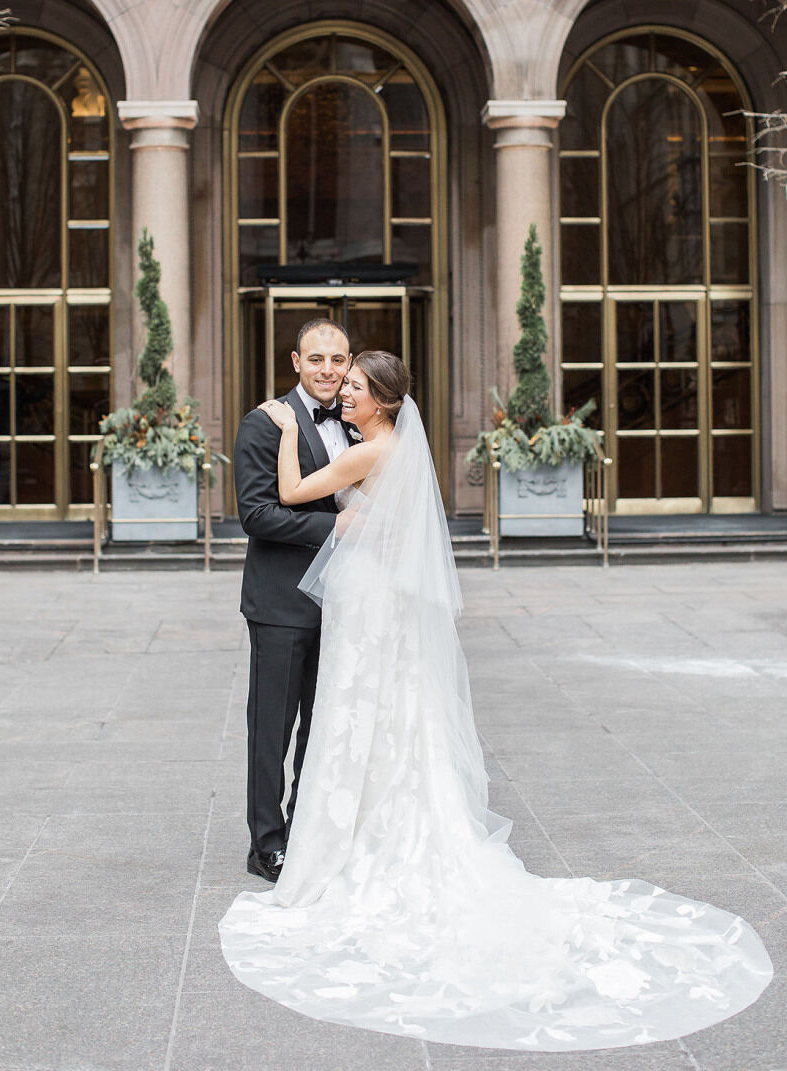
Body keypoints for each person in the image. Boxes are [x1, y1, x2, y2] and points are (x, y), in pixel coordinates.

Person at [219, 350, 773, 1051]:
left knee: (358, 716)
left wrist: (288, 429)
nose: (344, 394)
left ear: (383, 402)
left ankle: (349, 836)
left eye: (354, 386)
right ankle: (360, 824)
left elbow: (293, 490)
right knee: (383, 718)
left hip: (367, 608)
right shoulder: (391, 448)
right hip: (377, 607)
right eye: (342, 383)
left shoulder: (370, 451)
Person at [232, 318, 357, 883]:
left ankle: (305, 829)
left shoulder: (360, 421)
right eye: (317, 359)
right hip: (282, 604)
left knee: (324, 724)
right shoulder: (264, 424)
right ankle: (267, 844)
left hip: (348, 601)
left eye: (338, 360)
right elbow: (256, 514)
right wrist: (338, 528)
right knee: (272, 728)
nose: (328, 371)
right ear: (296, 361)